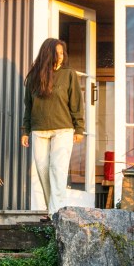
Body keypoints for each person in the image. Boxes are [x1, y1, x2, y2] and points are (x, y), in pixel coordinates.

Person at [21, 38, 85, 215]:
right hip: (39, 129)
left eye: (62, 53)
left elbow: (76, 103)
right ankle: (53, 209)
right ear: (47, 54)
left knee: (58, 169)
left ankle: (55, 213)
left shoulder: (68, 74)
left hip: (63, 129)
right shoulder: (34, 76)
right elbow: (29, 105)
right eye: (56, 53)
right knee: (42, 169)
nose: (60, 56)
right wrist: (25, 130)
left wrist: (79, 128)